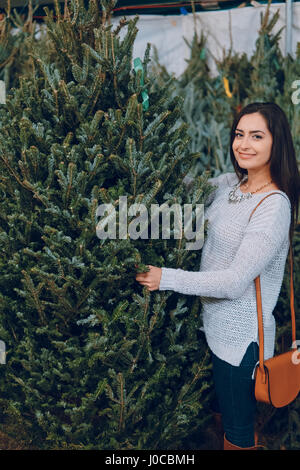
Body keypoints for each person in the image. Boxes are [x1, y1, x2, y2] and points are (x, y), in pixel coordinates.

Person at [135, 102, 300, 450]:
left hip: (238, 341)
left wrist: (165, 277)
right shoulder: (230, 185)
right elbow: (184, 186)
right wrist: (146, 143)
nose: (244, 144)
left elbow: (233, 281)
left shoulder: (273, 206)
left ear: (277, 143)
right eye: (239, 134)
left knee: (237, 433)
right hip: (206, 327)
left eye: (257, 136)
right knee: (212, 421)